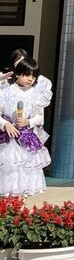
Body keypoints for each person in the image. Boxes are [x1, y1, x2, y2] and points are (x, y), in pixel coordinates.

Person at [0, 57, 52, 197]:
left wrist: (28, 122)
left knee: (25, 173)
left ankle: (18, 203)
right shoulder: (5, 92)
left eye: (34, 76)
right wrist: (6, 124)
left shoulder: (36, 94)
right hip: (7, 139)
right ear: (17, 73)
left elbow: (39, 117)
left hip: (26, 139)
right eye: (27, 75)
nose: (30, 79)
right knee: (9, 171)